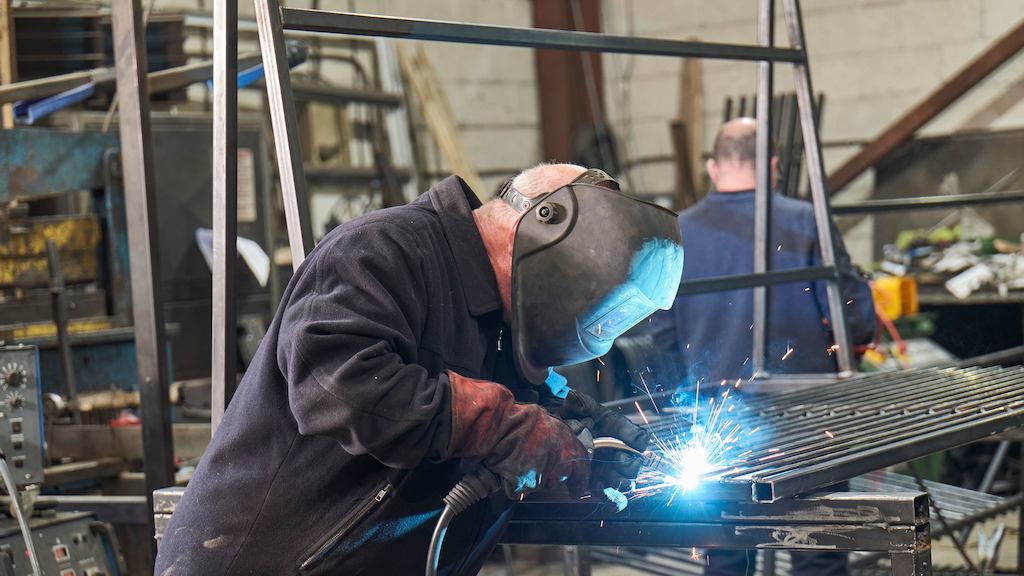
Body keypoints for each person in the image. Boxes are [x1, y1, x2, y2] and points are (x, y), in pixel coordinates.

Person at [155, 163, 684, 575]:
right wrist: (501, 426)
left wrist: (594, 437)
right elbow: (339, 387)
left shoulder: (498, 321)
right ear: (546, 229)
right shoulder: (385, 251)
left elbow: (525, 407)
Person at [650, 118, 876, 576]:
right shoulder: (806, 220)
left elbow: (663, 334)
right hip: (808, 414)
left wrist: (684, 394)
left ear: (714, 169)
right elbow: (853, 313)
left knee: (725, 547)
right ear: (772, 166)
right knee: (818, 546)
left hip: (715, 413)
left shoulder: (678, 232)